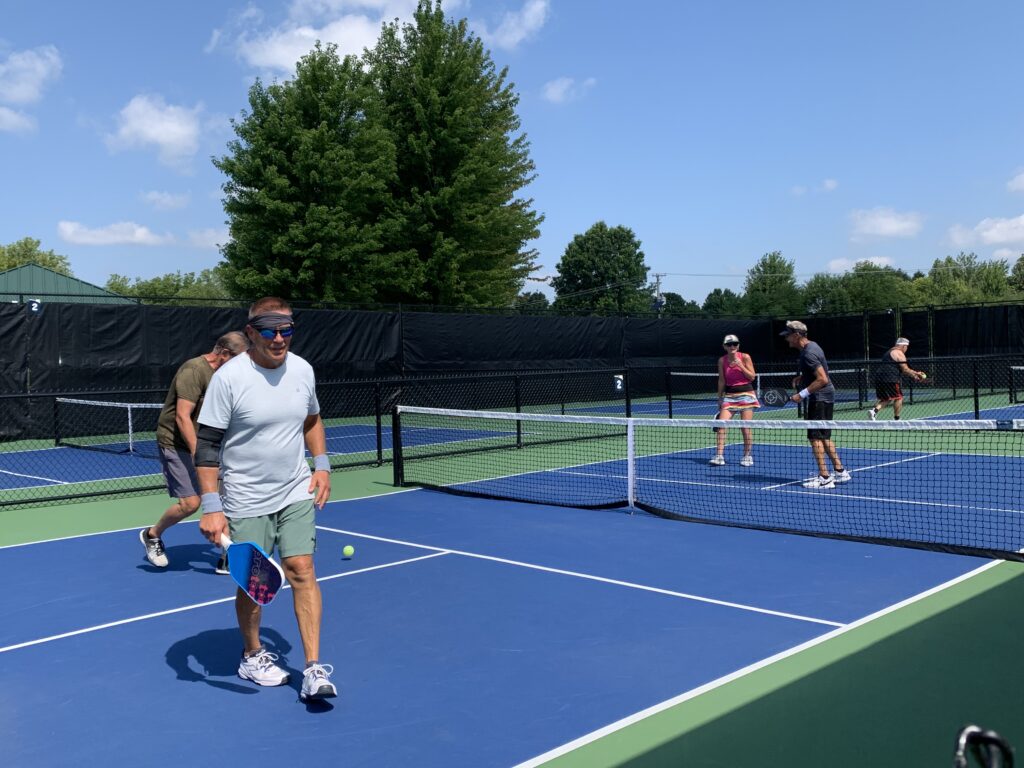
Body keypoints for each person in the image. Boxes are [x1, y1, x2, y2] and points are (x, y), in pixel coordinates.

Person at [194, 297, 336, 701]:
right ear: (251, 333)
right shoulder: (230, 378)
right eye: (270, 330)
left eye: (286, 330)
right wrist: (211, 505)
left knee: (301, 568)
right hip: (244, 495)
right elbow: (207, 445)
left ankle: (312, 668)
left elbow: (312, 419)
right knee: (255, 582)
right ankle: (252, 654)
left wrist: (321, 465)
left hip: (294, 488)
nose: (279, 338)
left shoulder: (303, 369)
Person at [140, 331, 249, 570]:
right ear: (223, 353)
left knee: (224, 499)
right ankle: (152, 534)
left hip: (208, 444)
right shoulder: (193, 370)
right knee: (190, 504)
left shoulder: (228, 375)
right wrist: (198, 453)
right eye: (238, 359)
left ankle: (227, 555)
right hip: (177, 443)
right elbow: (182, 416)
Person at [780, 320, 851, 489]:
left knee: (815, 437)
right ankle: (840, 471)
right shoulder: (813, 346)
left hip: (819, 398)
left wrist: (801, 394)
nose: (787, 339)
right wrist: (803, 377)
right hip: (826, 396)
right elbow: (818, 373)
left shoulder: (808, 353)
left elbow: (822, 378)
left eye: (788, 335)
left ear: (797, 335)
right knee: (824, 436)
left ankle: (824, 477)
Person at [709, 334, 759, 466]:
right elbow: (721, 380)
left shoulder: (745, 357)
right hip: (730, 396)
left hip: (747, 395)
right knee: (722, 425)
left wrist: (741, 365)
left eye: (735, 344)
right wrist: (720, 398)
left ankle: (747, 456)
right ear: (724, 346)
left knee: (745, 427)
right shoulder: (722, 361)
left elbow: (752, 377)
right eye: (729, 344)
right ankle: (719, 456)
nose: (733, 346)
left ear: (738, 345)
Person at [867, 337, 926, 420]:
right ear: (903, 346)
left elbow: (903, 370)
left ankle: (874, 411)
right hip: (890, 378)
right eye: (907, 347)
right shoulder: (899, 353)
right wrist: (917, 374)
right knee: (898, 397)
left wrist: (915, 375)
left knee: (886, 398)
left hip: (879, 377)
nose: (906, 349)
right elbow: (905, 369)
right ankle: (897, 418)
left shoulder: (888, 352)